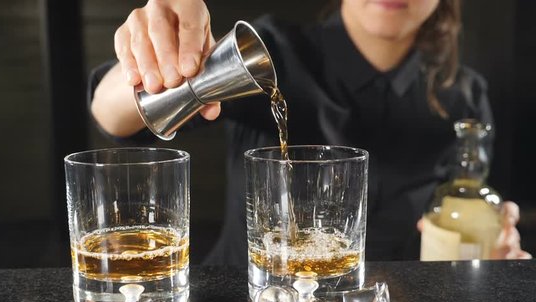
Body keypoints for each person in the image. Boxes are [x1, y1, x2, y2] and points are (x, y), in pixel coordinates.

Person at [88, 0, 531, 264]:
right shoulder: (272, 51)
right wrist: (157, 52)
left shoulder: (465, 96)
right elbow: (111, 116)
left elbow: (459, 213)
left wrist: (492, 246)